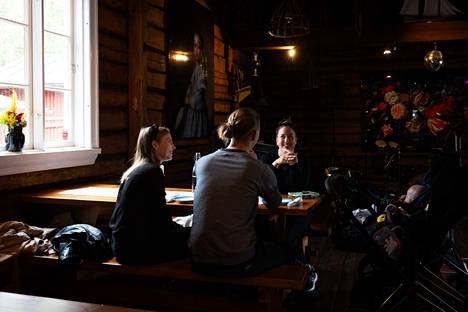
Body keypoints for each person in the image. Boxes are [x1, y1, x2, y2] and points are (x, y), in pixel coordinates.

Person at [189, 108, 318, 292]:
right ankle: (300, 285)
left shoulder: (201, 163)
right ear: (255, 134)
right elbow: (274, 204)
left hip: (198, 258)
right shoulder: (258, 168)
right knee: (285, 250)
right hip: (238, 262)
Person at [109, 124, 190, 264]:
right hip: (137, 249)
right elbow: (161, 220)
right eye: (169, 141)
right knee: (197, 238)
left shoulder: (134, 171)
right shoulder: (152, 172)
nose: (174, 146)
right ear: (155, 145)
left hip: (121, 245)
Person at [260, 119, 310, 193]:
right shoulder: (266, 158)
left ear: (295, 140)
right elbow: (264, 186)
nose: (286, 140)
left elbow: (300, 189)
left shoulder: (303, 159)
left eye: (290, 137)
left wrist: (293, 165)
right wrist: (276, 163)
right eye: (282, 137)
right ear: (277, 141)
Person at [175, 32, 209, 138]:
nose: (196, 50)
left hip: (196, 116)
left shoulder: (202, 69)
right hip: (190, 114)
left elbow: (200, 95)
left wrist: (190, 100)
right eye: (194, 46)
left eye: (198, 46)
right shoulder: (195, 68)